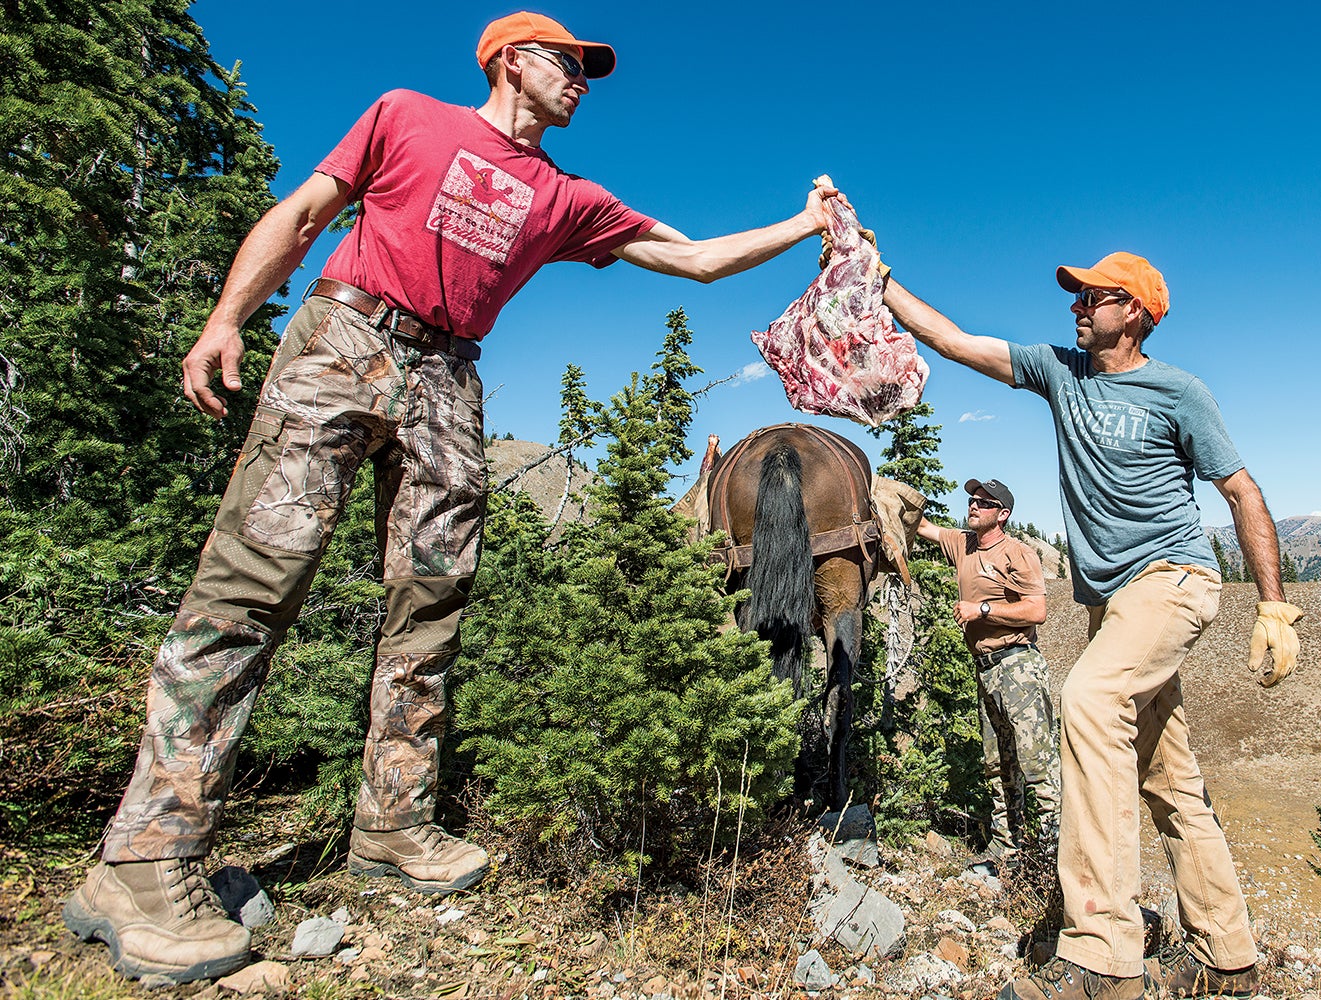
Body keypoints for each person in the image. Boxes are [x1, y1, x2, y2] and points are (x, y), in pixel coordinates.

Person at [64, 11, 839, 985]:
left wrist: (805, 224)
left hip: (446, 381)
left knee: (430, 603)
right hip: (342, 343)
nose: (584, 81)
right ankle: (142, 859)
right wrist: (228, 316)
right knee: (254, 583)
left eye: (589, 70)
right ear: (511, 58)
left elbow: (693, 257)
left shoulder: (566, 197)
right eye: (570, 63)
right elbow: (302, 214)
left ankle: (392, 822)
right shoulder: (406, 117)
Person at [881, 252, 1304, 1000]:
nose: (1077, 306)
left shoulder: (1179, 391)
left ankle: (1105, 955)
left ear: (1135, 311)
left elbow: (1241, 490)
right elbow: (952, 340)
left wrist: (1272, 603)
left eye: (1094, 297)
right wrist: (875, 279)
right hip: (1113, 605)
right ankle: (1225, 955)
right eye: (1075, 296)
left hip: (1173, 580)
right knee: (1168, 776)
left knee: (1090, 699)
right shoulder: (1060, 372)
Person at [915, 478, 1059, 875]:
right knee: (998, 764)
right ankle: (1005, 850)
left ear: (1003, 513)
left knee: (1037, 764)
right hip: (986, 669)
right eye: (972, 499)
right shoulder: (962, 543)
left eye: (984, 501)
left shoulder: (1019, 553)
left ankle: (1050, 857)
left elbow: (1035, 611)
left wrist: (981, 611)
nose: (974, 505)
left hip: (1019, 666)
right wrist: (880, 488)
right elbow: (923, 526)